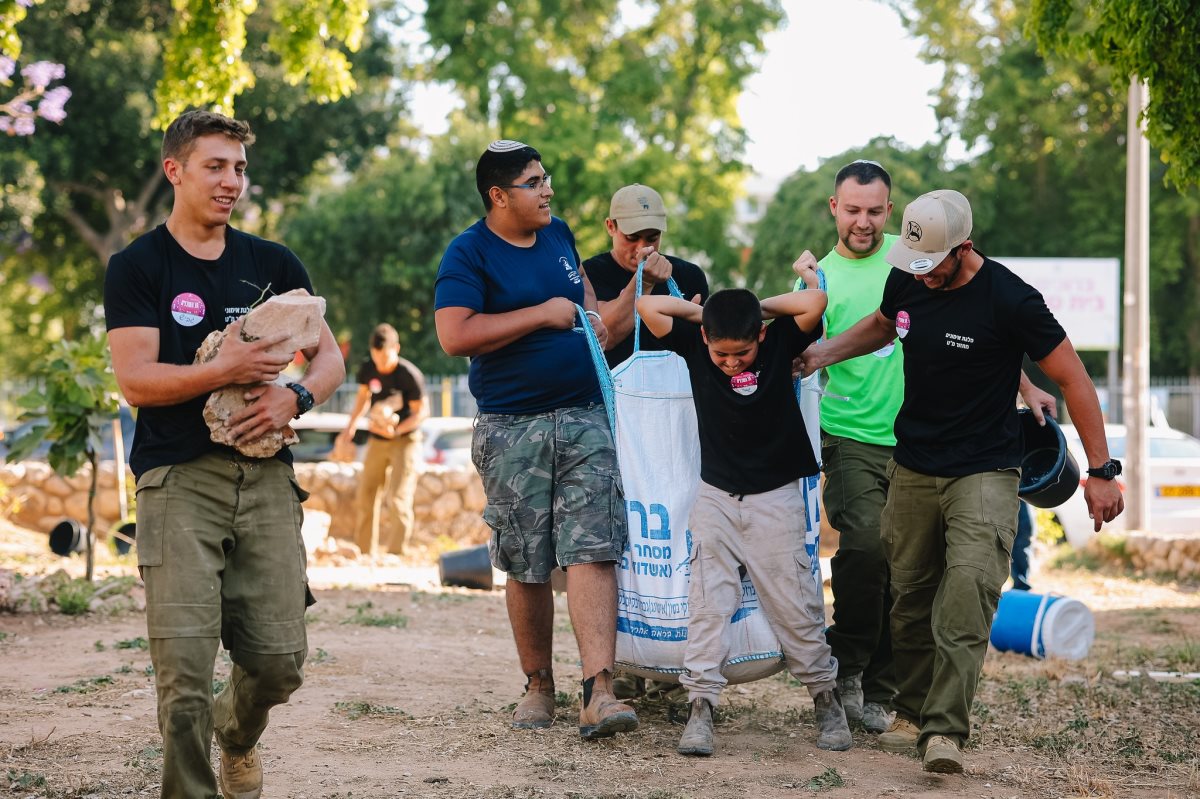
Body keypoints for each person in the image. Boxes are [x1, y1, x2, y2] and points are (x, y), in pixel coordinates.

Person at [799, 188, 1123, 773]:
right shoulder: (908, 278)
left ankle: (945, 732)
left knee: (969, 591)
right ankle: (918, 713)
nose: (918, 276)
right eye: (912, 265)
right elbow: (882, 324)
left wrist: (1101, 471)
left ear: (964, 248)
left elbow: (1074, 380)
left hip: (985, 467)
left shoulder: (1011, 299)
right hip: (914, 463)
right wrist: (821, 354)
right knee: (909, 599)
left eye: (932, 266)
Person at [103, 110, 345, 799]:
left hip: (267, 476)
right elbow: (136, 380)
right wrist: (225, 369)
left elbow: (327, 358)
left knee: (278, 660)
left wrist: (294, 396)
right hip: (176, 477)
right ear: (174, 169)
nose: (231, 180)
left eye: (238, 167)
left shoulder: (272, 264)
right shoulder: (138, 266)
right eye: (215, 165)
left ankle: (236, 734)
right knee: (182, 671)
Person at [434, 139, 638, 741]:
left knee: (594, 546)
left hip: (584, 413)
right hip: (512, 425)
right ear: (498, 196)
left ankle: (600, 689)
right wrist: (541, 315)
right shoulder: (468, 252)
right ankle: (538, 686)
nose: (548, 189)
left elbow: (596, 322)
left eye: (546, 177)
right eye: (533, 181)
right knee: (526, 559)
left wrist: (639, 285)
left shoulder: (559, 236)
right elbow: (454, 334)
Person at [638, 282, 853, 756]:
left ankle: (825, 698)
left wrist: (758, 310)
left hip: (775, 501)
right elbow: (647, 304)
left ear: (761, 333)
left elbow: (815, 300)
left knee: (795, 606)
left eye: (742, 351)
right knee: (708, 604)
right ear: (704, 342)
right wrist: (705, 316)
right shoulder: (696, 347)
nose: (733, 362)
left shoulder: (777, 343)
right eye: (721, 354)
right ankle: (701, 708)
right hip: (714, 498)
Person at [791, 159, 901, 734]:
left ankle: (880, 688)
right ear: (834, 208)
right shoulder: (817, 283)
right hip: (852, 436)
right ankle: (848, 666)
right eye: (853, 210)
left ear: (890, 209)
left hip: (922, 442)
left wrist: (1026, 384)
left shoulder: (915, 267)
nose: (863, 221)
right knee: (865, 550)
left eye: (874, 211)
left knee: (907, 568)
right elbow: (791, 360)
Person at [583, 183, 709, 368]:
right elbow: (605, 337)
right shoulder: (592, 273)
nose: (642, 248)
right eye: (632, 238)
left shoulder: (688, 274)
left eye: (653, 238)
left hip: (678, 391)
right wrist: (644, 282)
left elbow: (709, 345)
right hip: (619, 392)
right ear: (611, 226)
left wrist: (691, 322)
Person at [337, 323, 427, 558]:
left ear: (396, 348)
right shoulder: (368, 369)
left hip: (405, 439)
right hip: (377, 440)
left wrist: (396, 432)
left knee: (397, 496)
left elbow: (421, 413)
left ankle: (396, 553)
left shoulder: (409, 375)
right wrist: (350, 427)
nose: (381, 365)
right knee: (366, 492)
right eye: (377, 359)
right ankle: (365, 551)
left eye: (385, 358)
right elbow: (363, 398)